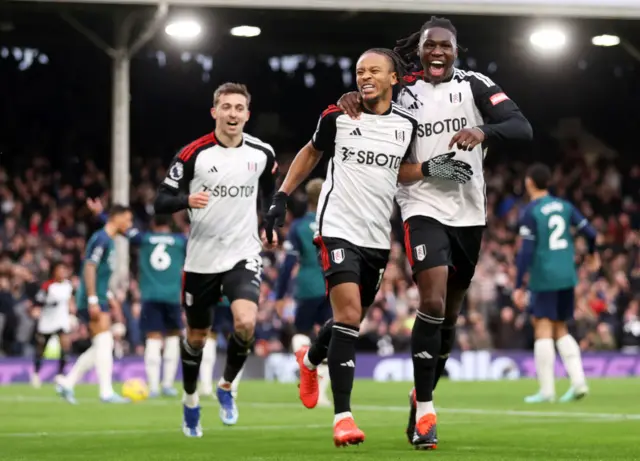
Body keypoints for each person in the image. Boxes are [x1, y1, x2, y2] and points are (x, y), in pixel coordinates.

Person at [338, 16, 533, 449]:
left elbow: (522, 127)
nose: (438, 53)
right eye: (430, 46)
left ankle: (419, 395)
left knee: (448, 316)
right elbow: (378, 132)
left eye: (445, 46)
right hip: (420, 205)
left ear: (456, 50)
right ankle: (427, 411)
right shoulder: (402, 90)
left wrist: (484, 129)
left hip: (468, 212)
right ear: (421, 51)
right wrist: (354, 95)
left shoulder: (475, 85)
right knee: (431, 299)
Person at [264, 48, 417, 447]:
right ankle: (343, 418)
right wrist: (280, 197)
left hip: (376, 237)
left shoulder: (407, 125)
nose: (364, 77)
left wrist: (437, 169)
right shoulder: (339, 117)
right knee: (348, 314)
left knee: (349, 321)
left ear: (393, 78)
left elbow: (403, 170)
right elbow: (311, 152)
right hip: (336, 228)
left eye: (374, 71)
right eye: (359, 71)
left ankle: (310, 359)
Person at [154, 82, 278, 437]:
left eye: (239, 108)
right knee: (196, 336)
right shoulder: (194, 153)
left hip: (242, 253)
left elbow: (271, 193)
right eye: (226, 107)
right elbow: (160, 201)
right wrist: (185, 201)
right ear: (214, 112)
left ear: (247, 114)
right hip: (202, 260)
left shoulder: (261, 152)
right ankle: (191, 399)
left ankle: (226, 386)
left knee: (245, 322)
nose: (233, 114)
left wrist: (270, 224)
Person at [512, 163, 597, 403]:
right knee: (560, 327)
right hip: (566, 275)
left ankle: (547, 390)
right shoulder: (565, 206)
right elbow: (590, 233)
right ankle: (578, 381)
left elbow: (526, 252)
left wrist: (518, 284)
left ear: (529, 182)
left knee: (542, 326)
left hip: (544, 275)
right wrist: (591, 254)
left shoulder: (531, 211)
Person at [87, 200, 186, 398]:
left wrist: (101, 214)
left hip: (150, 296)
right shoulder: (181, 241)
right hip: (172, 296)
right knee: (174, 337)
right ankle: (168, 384)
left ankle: (154, 387)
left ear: (154, 224)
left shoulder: (144, 239)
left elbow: (120, 228)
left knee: (153, 337)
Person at [56, 205, 134, 404]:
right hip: (92, 299)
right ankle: (106, 392)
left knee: (102, 344)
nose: (129, 224)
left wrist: (106, 295)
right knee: (105, 341)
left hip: (99, 296)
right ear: (116, 218)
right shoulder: (101, 239)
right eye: (127, 219)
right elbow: (90, 267)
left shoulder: (108, 239)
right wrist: (92, 299)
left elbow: (101, 274)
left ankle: (68, 382)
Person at [274, 178, 332, 407]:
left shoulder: (298, 227)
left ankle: (307, 368)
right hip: (330, 285)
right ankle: (323, 394)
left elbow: (288, 264)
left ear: (306, 199)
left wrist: (279, 296)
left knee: (301, 331)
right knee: (328, 336)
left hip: (307, 286)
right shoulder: (333, 222)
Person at [30, 261, 74, 389]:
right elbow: (38, 301)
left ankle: (59, 375)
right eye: (60, 270)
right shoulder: (48, 286)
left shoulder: (68, 286)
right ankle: (36, 374)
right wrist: (36, 310)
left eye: (64, 270)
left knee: (65, 347)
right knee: (41, 349)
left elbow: (70, 300)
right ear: (54, 272)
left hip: (62, 320)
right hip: (47, 321)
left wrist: (72, 308)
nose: (62, 273)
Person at [199, 296, 243, 399]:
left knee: (211, 337)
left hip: (223, 299)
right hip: (234, 299)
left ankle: (208, 386)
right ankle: (228, 387)